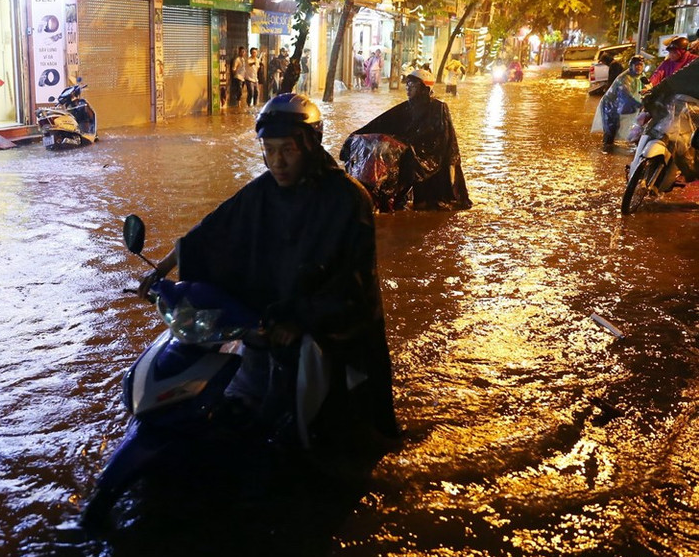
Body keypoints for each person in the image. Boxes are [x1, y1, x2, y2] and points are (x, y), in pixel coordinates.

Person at [139, 94, 399, 448]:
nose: (278, 162)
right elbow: (213, 230)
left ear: (310, 146)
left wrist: (301, 320)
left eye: (288, 150)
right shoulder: (264, 190)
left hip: (329, 330)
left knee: (327, 439)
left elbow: (351, 283)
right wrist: (162, 269)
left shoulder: (348, 199)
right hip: (270, 321)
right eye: (269, 150)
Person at [340, 69, 472, 210]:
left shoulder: (439, 107)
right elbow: (383, 122)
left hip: (431, 156)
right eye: (407, 84)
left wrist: (411, 145)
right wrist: (357, 135)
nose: (408, 87)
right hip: (411, 150)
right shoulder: (407, 107)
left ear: (424, 88)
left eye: (412, 85)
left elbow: (441, 138)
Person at [597, 55, 645, 152]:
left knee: (618, 126)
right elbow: (626, 95)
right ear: (631, 66)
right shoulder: (624, 78)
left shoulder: (641, 77)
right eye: (636, 65)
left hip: (620, 105)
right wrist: (639, 104)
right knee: (611, 128)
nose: (639, 67)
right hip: (610, 104)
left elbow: (647, 87)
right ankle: (607, 150)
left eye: (641, 65)